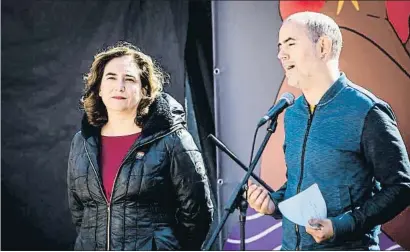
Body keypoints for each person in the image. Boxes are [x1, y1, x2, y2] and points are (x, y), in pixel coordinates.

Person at [247, 11, 410, 250]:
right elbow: (298, 183)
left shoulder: (367, 111)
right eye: (280, 46)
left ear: (323, 46)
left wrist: (342, 225)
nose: (281, 54)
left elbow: (400, 188)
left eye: (290, 44)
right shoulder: (293, 114)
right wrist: (274, 203)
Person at [67, 42, 213, 250]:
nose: (120, 86)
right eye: (111, 78)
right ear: (99, 87)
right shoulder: (82, 142)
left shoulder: (172, 139)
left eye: (129, 79)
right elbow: (80, 213)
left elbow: (198, 213)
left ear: (145, 91)